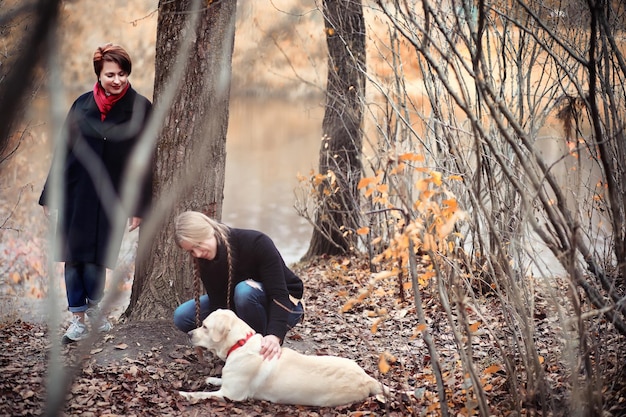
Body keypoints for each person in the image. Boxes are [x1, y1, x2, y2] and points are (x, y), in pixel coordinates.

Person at [39, 43, 152, 344]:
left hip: (113, 197)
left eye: (123, 74)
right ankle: (77, 319)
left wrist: (140, 205)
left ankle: (94, 309)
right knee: (73, 257)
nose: (117, 80)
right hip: (77, 193)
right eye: (111, 74)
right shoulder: (81, 104)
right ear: (99, 75)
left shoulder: (140, 108)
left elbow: (146, 161)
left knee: (98, 258)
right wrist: (50, 195)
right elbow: (64, 150)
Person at [173, 211, 305, 361]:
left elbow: (280, 295)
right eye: (191, 251)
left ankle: (261, 350)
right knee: (183, 316)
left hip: (286, 306)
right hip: (240, 304)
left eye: (198, 244)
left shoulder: (256, 242)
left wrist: (274, 336)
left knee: (244, 291)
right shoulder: (204, 260)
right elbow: (219, 305)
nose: (197, 253)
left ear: (209, 232)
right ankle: (240, 350)